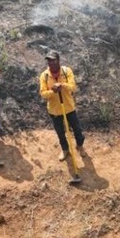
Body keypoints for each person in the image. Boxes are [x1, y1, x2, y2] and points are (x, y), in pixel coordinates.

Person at [39, 49, 86, 177]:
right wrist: (53, 91)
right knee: (60, 132)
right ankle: (65, 149)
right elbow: (43, 94)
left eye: (53, 60)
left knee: (77, 129)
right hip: (54, 109)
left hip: (69, 107)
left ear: (58, 60)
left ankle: (80, 146)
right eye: (49, 60)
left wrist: (62, 85)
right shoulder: (44, 76)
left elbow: (73, 87)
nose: (51, 63)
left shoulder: (66, 71)